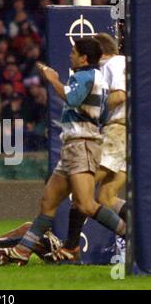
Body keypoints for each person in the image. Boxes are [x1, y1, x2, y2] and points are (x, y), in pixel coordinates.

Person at [0, 38, 126, 266]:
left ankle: (130, 235)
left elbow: (72, 98)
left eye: (74, 52)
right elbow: (100, 113)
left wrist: (53, 79)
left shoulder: (87, 76)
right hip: (72, 146)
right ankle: (23, 251)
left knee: (86, 204)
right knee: (48, 202)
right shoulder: (94, 78)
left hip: (82, 145)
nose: (70, 55)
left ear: (84, 58)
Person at [52, 33, 127, 262]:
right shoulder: (120, 64)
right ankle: (141, 231)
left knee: (82, 188)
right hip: (121, 134)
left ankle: (71, 246)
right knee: (106, 197)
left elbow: (120, 95)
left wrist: (93, 106)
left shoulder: (114, 63)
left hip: (117, 132)